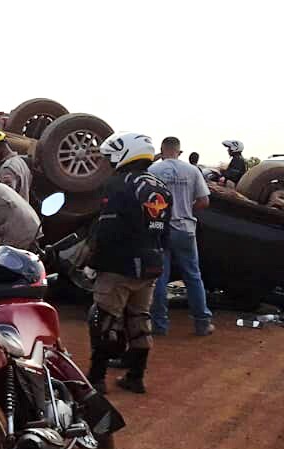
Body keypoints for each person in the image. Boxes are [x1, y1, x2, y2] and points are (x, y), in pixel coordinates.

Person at [85, 132, 173, 396]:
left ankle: (97, 378)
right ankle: (136, 377)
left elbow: (108, 229)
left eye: (112, 157)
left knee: (102, 320)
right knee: (139, 319)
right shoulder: (159, 186)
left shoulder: (120, 184)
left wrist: (94, 261)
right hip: (151, 264)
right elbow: (165, 232)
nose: (111, 163)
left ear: (125, 155)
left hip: (119, 264)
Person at [148, 137, 214, 336]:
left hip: (159, 228)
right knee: (193, 276)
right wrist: (186, 209)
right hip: (185, 229)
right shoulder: (192, 171)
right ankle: (202, 323)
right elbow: (204, 201)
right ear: (179, 151)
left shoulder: (153, 171)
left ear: (162, 150)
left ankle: (159, 325)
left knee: (159, 278)